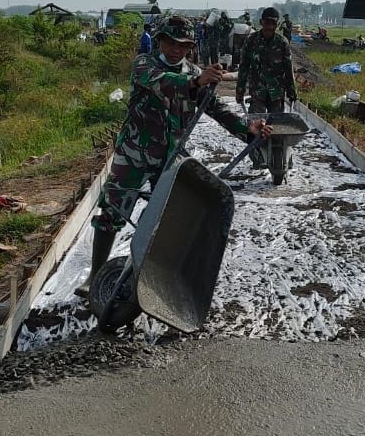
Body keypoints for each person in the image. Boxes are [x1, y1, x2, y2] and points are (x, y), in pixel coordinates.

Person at [76, 16, 271, 299]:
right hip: (134, 153)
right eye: (171, 43)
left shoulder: (193, 70)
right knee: (112, 212)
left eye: (184, 45)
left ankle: (152, 278)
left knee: (167, 217)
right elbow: (168, 83)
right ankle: (95, 276)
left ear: (191, 46)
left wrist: (246, 129)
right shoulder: (145, 65)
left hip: (171, 157)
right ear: (160, 41)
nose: (176, 50)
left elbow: (215, 108)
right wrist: (196, 81)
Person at [236, 6, 296, 169]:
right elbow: (244, 67)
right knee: (256, 125)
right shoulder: (251, 41)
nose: (269, 26)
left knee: (277, 127)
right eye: (266, 22)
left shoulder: (282, 42)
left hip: (276, 92)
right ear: (261, 22)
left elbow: (288, 68)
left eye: (272, 23)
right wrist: (239, 90)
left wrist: (292, 91)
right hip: (258, 92)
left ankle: (279, 157)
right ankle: (257, 157)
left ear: (276, 25)